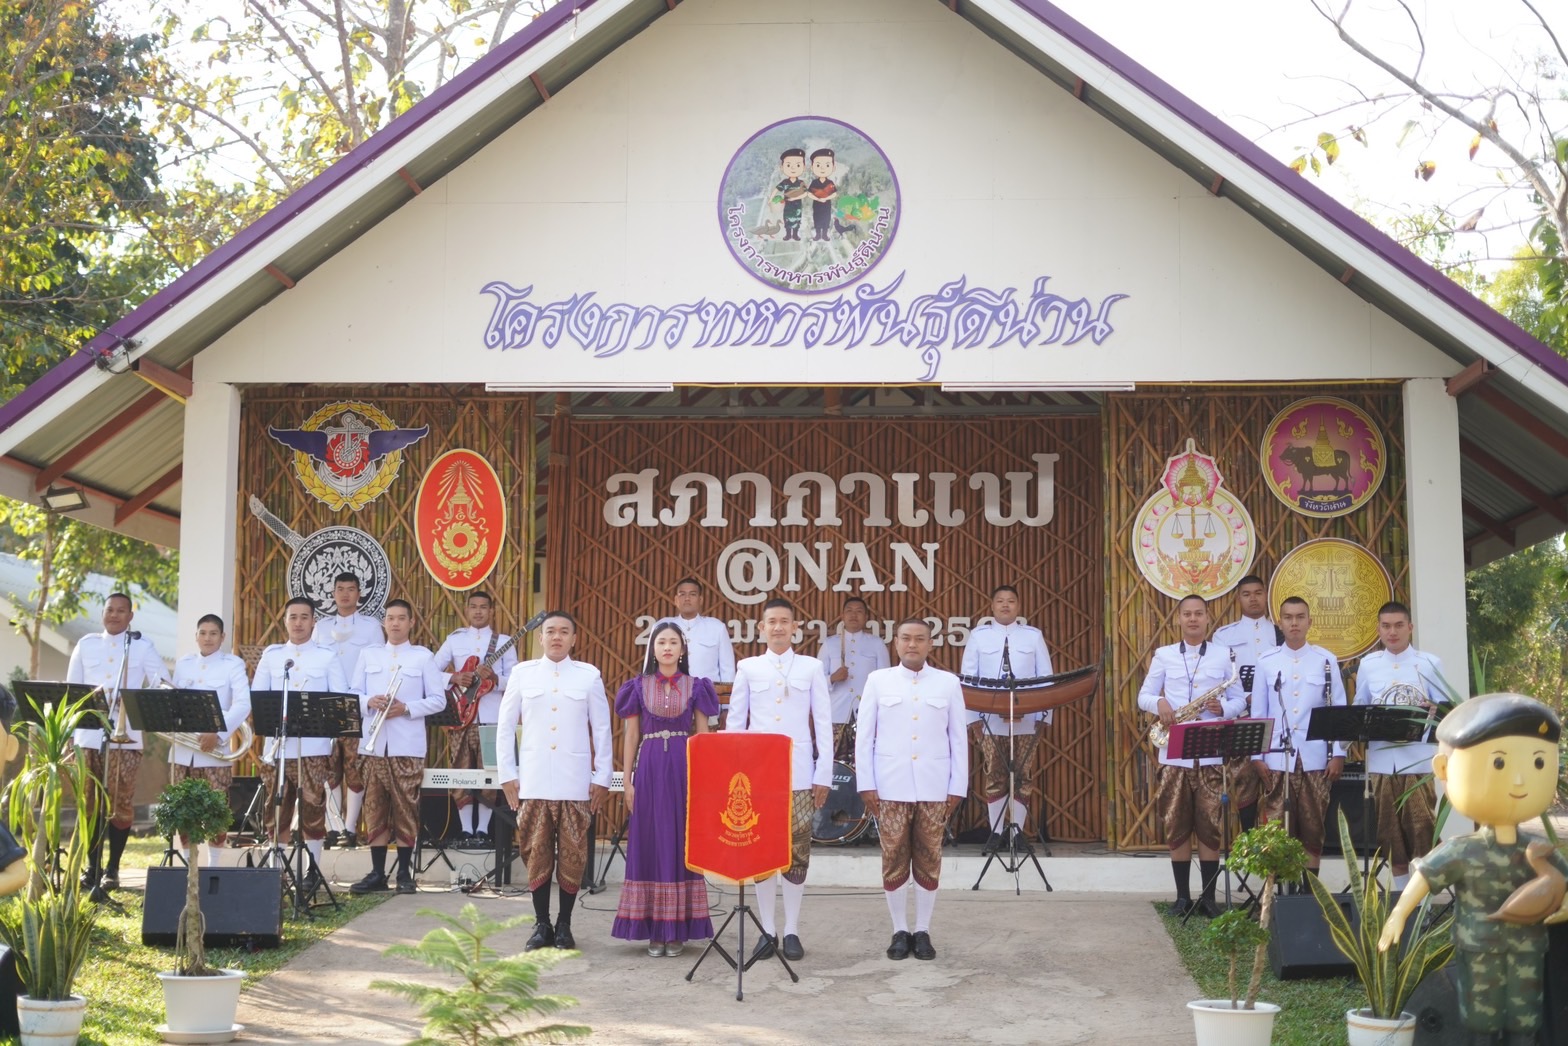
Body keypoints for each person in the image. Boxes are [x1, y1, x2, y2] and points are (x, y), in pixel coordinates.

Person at [1379, 694, 1568, 1046]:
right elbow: (1426, 876)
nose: (1518, 781)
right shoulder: (1463, 850)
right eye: (1499, 763)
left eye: (1538, 763)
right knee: (1483, 1022)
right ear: (1444, 770)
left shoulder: (1537, 849)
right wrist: (1399, 913)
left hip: (1529, 949)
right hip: (1479, 949)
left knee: (1526, 1020)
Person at [725, 597, 832, 964]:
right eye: (771, 621)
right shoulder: (749, 667)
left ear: (794, 627)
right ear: (761, 627)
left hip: (800, 772)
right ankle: (767, 929)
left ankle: (792, 930)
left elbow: (823, 723)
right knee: (761, 849)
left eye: (784, 621)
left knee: (797, 850)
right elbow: (735, 724)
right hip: (756, 775)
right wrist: (732, 774)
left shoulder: (811, 667)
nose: (778, 627)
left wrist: (823, 773)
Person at [496, 611, 612, 951]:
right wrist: (508, 775)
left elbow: (602, 730)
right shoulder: (522, 674)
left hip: (575, 781)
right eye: (550, 632)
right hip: (533, 780)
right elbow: (505, 727)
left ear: (574, 639)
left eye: (564, 632)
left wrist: (602, 777)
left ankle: (564, 924)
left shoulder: (588, 676)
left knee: (574, 854)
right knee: (536, 852)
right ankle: (541, 923)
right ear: (541, 638)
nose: (557, 637)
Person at [857, 618, 968, 962]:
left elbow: (958, 739)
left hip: (935, 785)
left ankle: (922, 930)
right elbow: (865, 736)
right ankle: (899, 930)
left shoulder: (948, 683)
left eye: (920, 639)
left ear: (930, 645)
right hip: (889, 784)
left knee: (929, 857)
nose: (912, 644)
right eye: (906, 638)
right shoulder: (879, 680)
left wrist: (957, 785)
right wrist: (866, 783)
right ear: (896, 642)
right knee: (893, 857)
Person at [611, 621, 718, 956]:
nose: (668, 647)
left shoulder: (696, 686)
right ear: (652, 649)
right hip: (650, 767)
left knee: (680, 842)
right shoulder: (637, 687)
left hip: (684, 771)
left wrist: (704, 782)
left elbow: (702, 736)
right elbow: (631, 736)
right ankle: (655, 930)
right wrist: (627, 781)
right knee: (650, 841)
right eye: (661, 642)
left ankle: (677, 932)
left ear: (682, 650)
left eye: (674, 642)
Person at [1136, 593, 1247, 918]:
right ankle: (1183, 897)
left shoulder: (1224, 656)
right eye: (1188, 614)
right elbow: (1144, 694)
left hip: (1211, 753)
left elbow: (1239, 699)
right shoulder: (1164, 654)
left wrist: (1223, 707)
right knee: (1176, 824)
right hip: (1173, 754)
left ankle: (1209, 900)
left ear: (1208, 618)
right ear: (1179, 619)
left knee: (1210, 825)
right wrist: (1160, 704)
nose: (1194, 619)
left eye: (1199, 613)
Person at [66, 591, 169, 890]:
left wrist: (137, 699)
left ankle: (113, 869)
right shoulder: (86, 645)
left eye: (121, 611)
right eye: (109, 609)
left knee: (121, 804)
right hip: (88, 737)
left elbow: (160, 682)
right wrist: (70, 739)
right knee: (89, 803)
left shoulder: (142, 646)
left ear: (130, 616)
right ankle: (91, 868)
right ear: (103, 613)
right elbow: (72, 692)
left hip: (127, 738)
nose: (114, 615)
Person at [349, 600, 449, 896]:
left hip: (407, 746)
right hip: (373, 746)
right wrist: (369, 701)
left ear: (410, 623)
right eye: (390, 618)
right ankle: (378, 873)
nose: (395, 624)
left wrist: (406, 709)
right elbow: (352, 693)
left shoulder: (422, 657)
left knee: (406, 808)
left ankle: (405, 873)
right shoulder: (368, 655)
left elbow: (438, 700)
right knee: (374, 808)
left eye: (401, 619)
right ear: (384, 623)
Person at [252, 595, 349, 887]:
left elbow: (340, 700)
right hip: (278, 749)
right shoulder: (272, 655)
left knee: (312, 808)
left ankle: (312, 872)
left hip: (313, 748)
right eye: (293, 617)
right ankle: (275, 872)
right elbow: (258, 698)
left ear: (313, 622)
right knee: (276, 808)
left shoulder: (327, 656)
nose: (298, 623)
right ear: (285, 621)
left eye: (304, 617)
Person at [1354, 600, 1452, 886]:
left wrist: (1433, 709)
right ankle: (1399, 898)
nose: (1392, 632)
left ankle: (1426, 901)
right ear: (1378, 630)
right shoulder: (1368, 664)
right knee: (1389, 833)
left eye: (1398, 625)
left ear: (1410, 627)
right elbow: (1360, 708)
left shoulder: (1430, 662)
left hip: (1418, 760)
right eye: (1386, 626)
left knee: (1422, 827)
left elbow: (1446, 711)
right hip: (1383, 762)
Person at [1249, 596, 1345, 878]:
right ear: (1280, 622)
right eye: (1288, 617)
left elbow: (1337, 708)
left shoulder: (1326, 660)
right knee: (1277, 826)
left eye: (1300, 617)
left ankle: (1309, 892)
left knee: (1313, 825)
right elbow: (1259, 713)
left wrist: (1338, 752)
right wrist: (1257, 756)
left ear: (1309, 622)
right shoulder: (1266, 661)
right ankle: (1280, 894)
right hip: (1277, 758)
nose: (1294, 623)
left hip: (1315, 756)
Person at [960, 585, 1052, 850]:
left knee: (1023, 775)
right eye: (1000, 601)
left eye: (1011, 601)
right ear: (991, 606)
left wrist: (1043, 718)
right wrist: (972, 719)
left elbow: (1044, 679)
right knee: (996, 775)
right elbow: (968, 681)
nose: (1005, 605)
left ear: (1018, 606)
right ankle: (997, 833)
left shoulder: (1032, 637)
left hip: (1027, 718)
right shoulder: (979, 637)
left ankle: (1017, 834)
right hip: (989, 720)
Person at [431, 591, 518, 844]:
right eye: (473, 607)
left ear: (492, 612)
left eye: (483, 607)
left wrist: (493, 679)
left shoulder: (504, 641)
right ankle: (466, 830)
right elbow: (430, 671)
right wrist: (454, 678)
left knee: (489, 774)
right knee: (460, 772)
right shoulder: (454, 640)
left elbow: (515, 681)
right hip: (460, 717)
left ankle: (482, 830)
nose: (478, 611)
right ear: (467, 610)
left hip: (492, 719)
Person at [168, 613, 253, 868]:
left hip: (215, 751)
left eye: (213, 633)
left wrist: (218, 733)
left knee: (216, 811)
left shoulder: (233, 664)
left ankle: (214, 865)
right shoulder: (183, 663)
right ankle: (186, 866)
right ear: (196, 636)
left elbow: (242, 704)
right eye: (203, 633)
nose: (207, 638)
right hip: (182, 751)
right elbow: (175, 703)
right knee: (182, 811)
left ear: (222, 637)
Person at [313, 572, 383, 850]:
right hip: (326, 705)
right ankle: (332, 826)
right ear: (333, 594)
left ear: (359, 594)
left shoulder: (371, 627)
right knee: (329, 768)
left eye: (350, 589)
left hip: (357, 706)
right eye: (340, 589)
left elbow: (375, 662)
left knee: (354, 767)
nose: (344, 594)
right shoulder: (320, 627)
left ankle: (350, 827)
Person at [1212, 573, 1279, 830]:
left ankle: (1274, 843)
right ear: (1238, 598)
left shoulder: (1279, 633)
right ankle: (1249, 838)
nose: (1253, 599)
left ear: (1265, 595)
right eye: (1247, 594)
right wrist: (1247, 697)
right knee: (1244, 779)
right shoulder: (1224, 636)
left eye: (1258, 593)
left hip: (1275, 718)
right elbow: (1222, 680)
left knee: (1276, 778)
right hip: (1241, 716)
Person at [817, 596, 889, 757]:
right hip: (836, 712)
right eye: (849, 611)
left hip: (866, 712)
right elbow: (816, 681)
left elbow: (886, 681)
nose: (853, 615)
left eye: (859, 611)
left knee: (865, 758)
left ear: (866, 617)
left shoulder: (877, 644)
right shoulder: (830, 643)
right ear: (842, 616)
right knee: (833, 761)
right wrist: (832, 678)